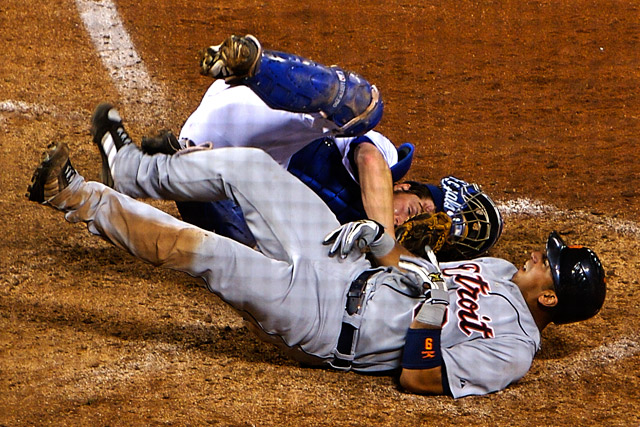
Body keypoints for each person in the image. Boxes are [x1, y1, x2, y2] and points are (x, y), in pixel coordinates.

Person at [26, 109, 606, 397]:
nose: (535, 254)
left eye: (546, 262)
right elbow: (411, 274)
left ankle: (75, 196)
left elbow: (421, 377)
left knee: (202, 252)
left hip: (324, 321)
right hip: (343, 262)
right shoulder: (500, 271)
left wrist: (428, 321)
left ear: (551, 295)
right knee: (248, 167)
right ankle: (133, 169)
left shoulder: (512, 352)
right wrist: (380, 241)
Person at [139, 34, 503, 259]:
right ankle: (253, 64)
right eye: (413, 210)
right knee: (368, 107)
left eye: (414, 229)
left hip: (209, 163)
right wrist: (388, 245)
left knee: (256, 254)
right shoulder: (385, 162)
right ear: (404, 187)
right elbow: (368, 157)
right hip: (255, 108)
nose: (404, 221)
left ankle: (175, 161)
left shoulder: (356, 254)